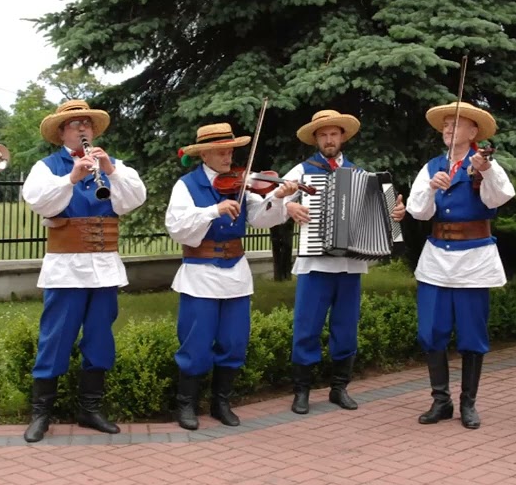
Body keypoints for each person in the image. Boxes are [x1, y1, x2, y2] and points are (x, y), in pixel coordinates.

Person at [20, 100, 148, 443]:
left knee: (100, 337)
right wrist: (71, 178)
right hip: (66, 268)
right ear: (62, 132)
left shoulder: (113, 163)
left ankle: (90, 409)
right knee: (55, 337)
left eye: (87, 124)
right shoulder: (47, 167)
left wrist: (111, 170)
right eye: (74, 124)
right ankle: (41, 413)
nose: (82, 129)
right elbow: (39, 202)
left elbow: (134, 199)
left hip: (104, 267)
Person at [164, 122, 298, 430]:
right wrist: (214, 210)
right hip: (200, 274)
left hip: (236, 272)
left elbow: (261, 218)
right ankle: (186, 404)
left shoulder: (242, 182)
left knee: (234, 341)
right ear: (205, 154)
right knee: (196, 342)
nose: (229, 156)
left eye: (231, 150)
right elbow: (177, 227)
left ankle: (221, 402)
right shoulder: (186, 185)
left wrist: (278, 197)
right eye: (222, 151)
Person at [278, 110, 405, 414]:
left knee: (346, 327)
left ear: (342, 137)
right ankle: (302, 391)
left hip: (350, 265)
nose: (328, 140)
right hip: (314, 264)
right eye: (323, 135)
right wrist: (289, 207)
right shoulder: (302, 171)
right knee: (307, 327)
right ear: (316, 140)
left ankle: (339, 388)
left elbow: (388, 219)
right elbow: (274, 199)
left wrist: (396, 215)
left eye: (333, 134)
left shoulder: (360, 174)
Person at [404, 100, 515, 430]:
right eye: (446, 125)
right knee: (431, 331)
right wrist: (430, 187)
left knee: (471, 333)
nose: (448, 129)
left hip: (473, 260)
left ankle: (468, 403)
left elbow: (500, 197)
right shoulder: (432, 167)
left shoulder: (484, 164)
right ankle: (441, 401)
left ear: (473, 131)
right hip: (437, 258)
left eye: (456, 124)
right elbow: (418, 212)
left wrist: (486, 170)